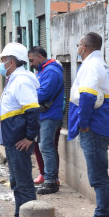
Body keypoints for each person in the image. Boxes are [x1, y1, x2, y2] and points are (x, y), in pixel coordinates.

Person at [69, 32, 109, 217]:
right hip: (100, 126)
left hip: (94, 128)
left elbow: (87, 96)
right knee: (99, 177)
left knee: (98, 178)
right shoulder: (101, 64)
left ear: (85, 46)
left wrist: (84, 124)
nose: (78, 48)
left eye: (79, 45)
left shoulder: (91, 65)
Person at [0, 43, 41, 217]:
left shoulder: (21, 81)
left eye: (3, 60)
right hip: (12, 140)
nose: (1, 63)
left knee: (24, 183)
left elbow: (32, 111)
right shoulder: (13, 79)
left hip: (19, 141)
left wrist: (29, 137)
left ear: (11, 61)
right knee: (16, 182)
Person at [28, 46, 64, 195]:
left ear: (40, 57)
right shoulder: (42, 70)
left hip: (50, 116)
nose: (30, 63)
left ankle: (50, 182)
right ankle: (51, 178)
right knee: (47, 148)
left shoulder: (51, 71)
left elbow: (43, 94)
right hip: (44, 115)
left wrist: (27, 94)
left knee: (46, 147)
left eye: (32, 60)